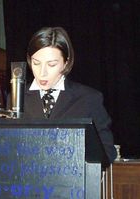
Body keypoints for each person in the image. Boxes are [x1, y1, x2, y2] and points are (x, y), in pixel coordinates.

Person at [24, 26, 117, 163]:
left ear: (65, 63)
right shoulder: (16, 99)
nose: (42, 73)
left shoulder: (89, 99)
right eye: (36, 63)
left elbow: (107, 153)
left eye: (51, 64)